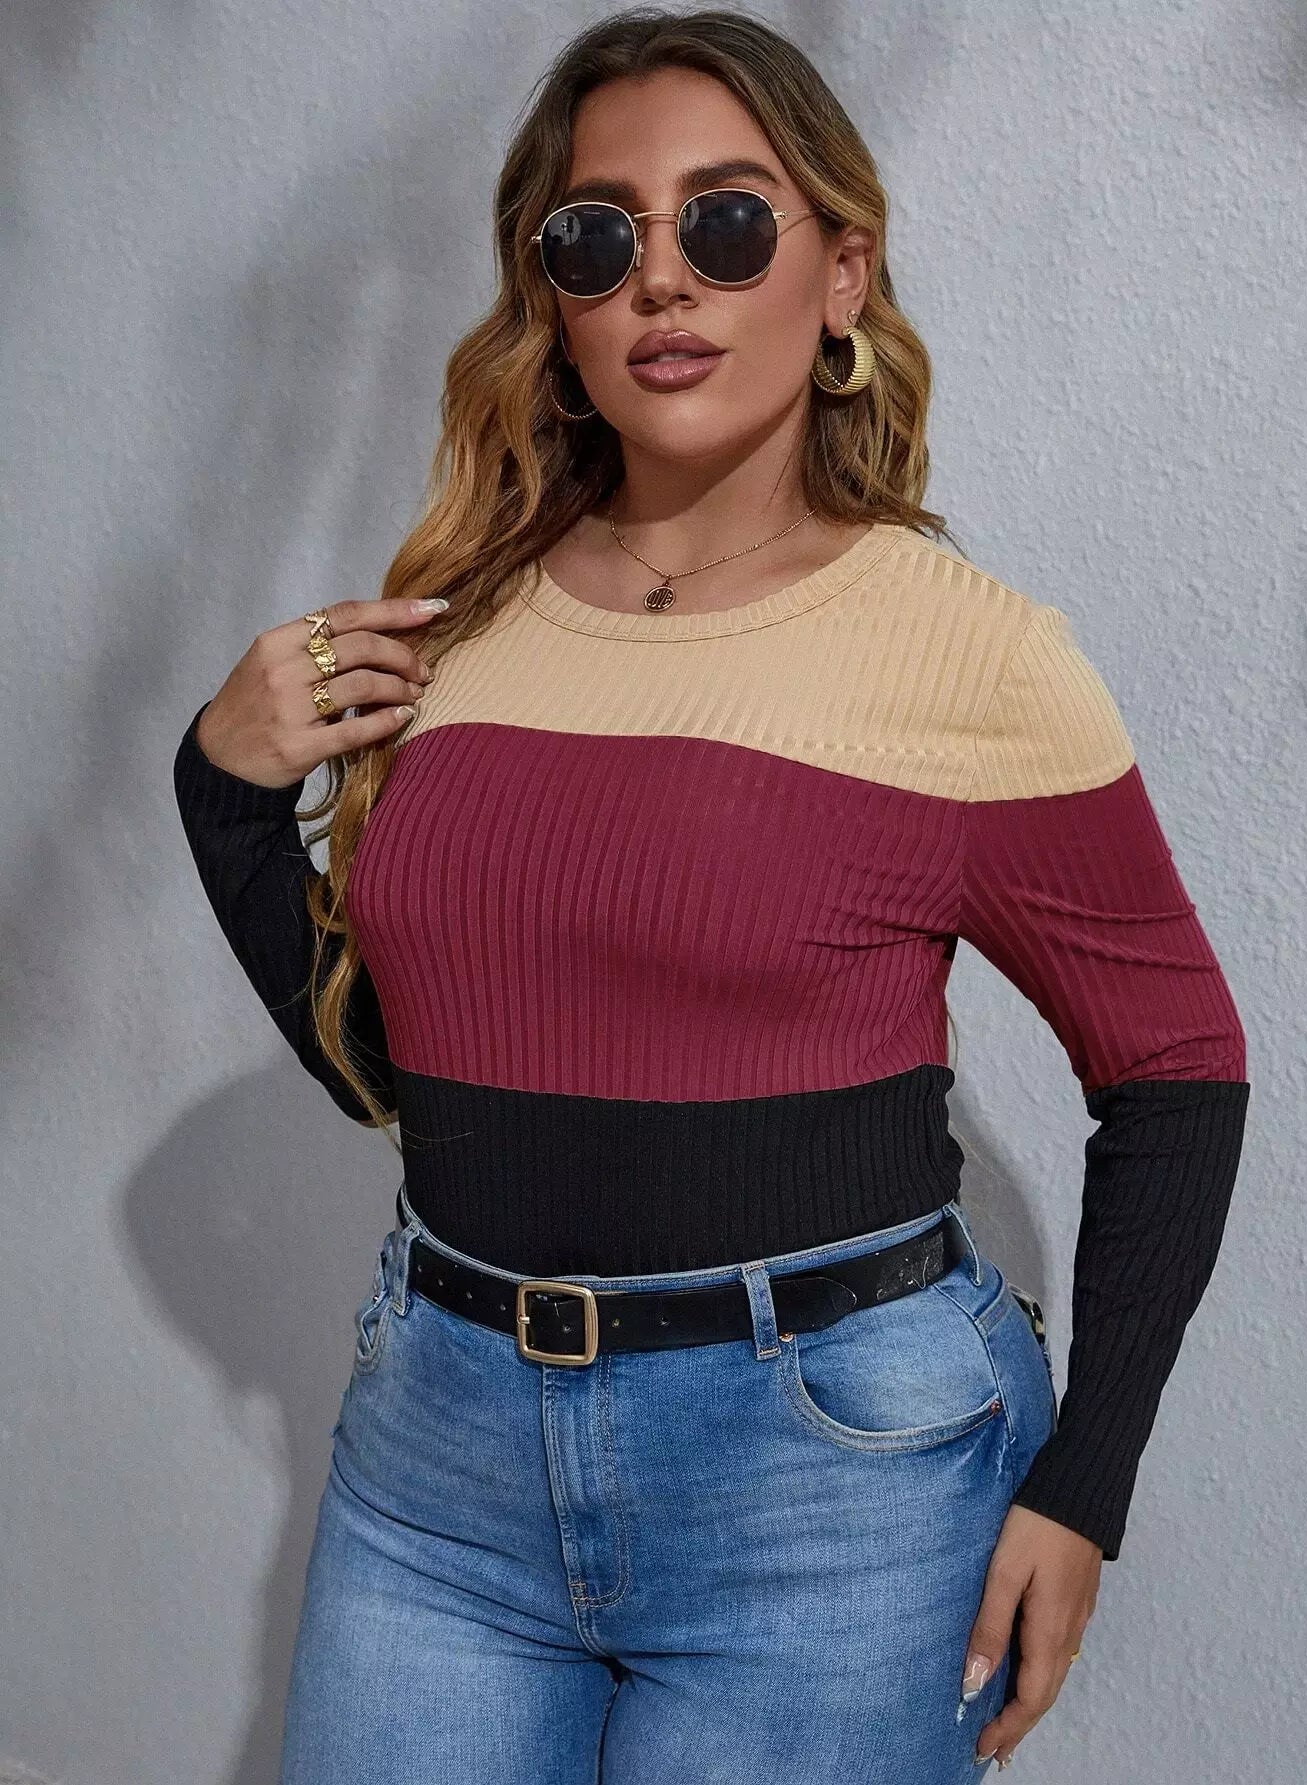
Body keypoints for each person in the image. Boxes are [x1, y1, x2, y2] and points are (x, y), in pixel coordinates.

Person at [171, 10, 1250, 1781]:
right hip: (440, 1461)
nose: (662, 279)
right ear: (553, 299)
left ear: (844, 272)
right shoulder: (463, 625)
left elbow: (1177, 1067)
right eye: (599, 237)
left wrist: (1088, 1480)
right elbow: (403, 1071)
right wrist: (225, 794)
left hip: (831, 1488)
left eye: (729, 223)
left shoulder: (972, 657)